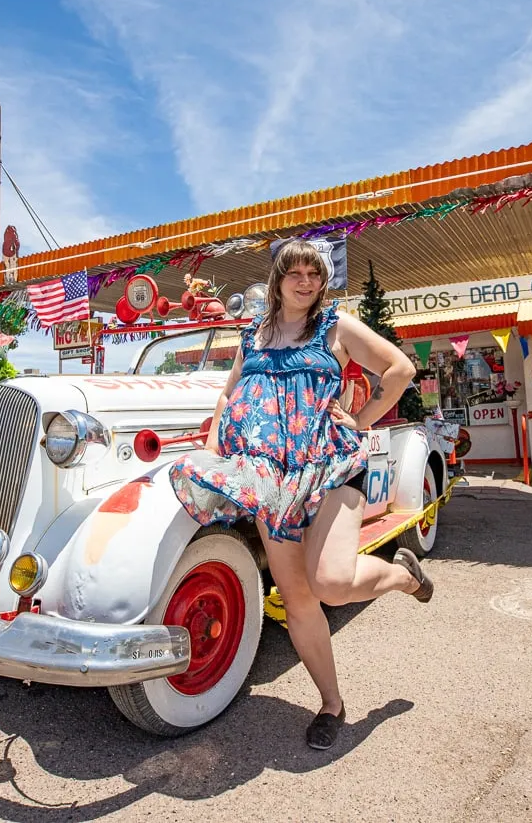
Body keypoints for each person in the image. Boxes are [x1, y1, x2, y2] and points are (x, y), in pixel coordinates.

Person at [169, 239, 428, 750]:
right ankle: (332, 704)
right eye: (295, 273)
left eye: (315, 272)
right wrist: (216, 442)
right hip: (270, 479)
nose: (306, 281)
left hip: (330, 466)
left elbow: (400, 370)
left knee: (330, 582)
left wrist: (360, 420)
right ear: (278, 279)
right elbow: (228, 392)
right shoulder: (255, 334)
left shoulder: (336, 327)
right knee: (298, 598)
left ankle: (401, 576)